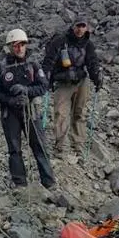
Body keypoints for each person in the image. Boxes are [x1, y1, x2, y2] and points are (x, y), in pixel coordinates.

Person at [0, 29, 55, 189]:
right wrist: (10, 100)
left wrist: (27, 91)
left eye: (22, 45)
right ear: (9, 47)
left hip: (31, 110)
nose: (19, 48)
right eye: (16, 45)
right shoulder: (1, 68)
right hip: (10, 112)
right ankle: (20, 183)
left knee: (39, 145)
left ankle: (48, 182)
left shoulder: (33, 64)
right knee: (14, 149)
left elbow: (43, 86)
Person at [41, 17, 102, 155]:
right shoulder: (60, 41)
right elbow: (49, 61)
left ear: (87, 28)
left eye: (83, 26)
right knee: (61, 113)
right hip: (63, 82)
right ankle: (60, 145)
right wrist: (45, 78)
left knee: (80, 112)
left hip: (81, 81)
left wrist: (96, 77)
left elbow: (92, 63)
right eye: (78, 26)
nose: (80, 29)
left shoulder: (88, 44)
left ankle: (78, 143)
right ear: (73, 26)